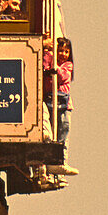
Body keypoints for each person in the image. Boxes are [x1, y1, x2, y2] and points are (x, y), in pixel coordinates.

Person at [43, 36, 78, 178]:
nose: (63, 54)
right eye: (60, 50)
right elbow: (45, 66)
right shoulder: (51, 59)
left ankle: (61, 160)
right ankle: (49, 162)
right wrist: (48, 52)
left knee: (63, 129)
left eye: (66, 51)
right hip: (50, 99)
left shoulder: (67, 66)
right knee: (51, 129)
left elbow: (63, 76)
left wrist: (55, 68)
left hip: (64, 104)